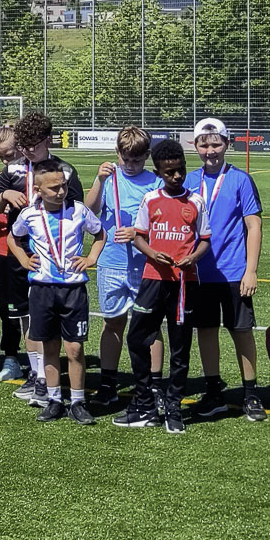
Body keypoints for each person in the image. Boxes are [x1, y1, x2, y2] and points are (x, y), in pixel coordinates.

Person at [116, 138, 210, 433]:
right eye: (170, 172)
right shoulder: (150, 200)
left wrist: (193, 257)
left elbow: (205, 240)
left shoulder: (196, 202)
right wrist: (152, 253)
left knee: (180, 347)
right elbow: (139, 236)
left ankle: (173, 407)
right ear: (158, 172)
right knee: (137, 338)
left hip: (183, 283)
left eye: (180, 170)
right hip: (153, 280)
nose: (177, 176)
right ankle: (145, 402)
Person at [0, 112, 84, 406]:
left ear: (48, 140)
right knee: (25, 315)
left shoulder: (64, 171)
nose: (28, 150)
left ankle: (50, 377)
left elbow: (78, 211)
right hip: (21, 254)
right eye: (24, 145)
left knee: (49, 319)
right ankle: (37, 376)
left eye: (34, 144)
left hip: (53, 257)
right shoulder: (14, 168)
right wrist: (6, 194)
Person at [8, 160, 105, 423]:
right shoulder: (29, 215)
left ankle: (78, 401)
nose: (60, 192)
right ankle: (54, 400)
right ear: (38, 190)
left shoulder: (78, 210)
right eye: (53, 188)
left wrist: (91, 258)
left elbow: (100, 234)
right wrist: (23, 259)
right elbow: (12, 237)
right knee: (49, 347)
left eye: (63, 186)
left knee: (74, 349)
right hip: (42, 290)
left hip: (73, 290)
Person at [184, 118, 266, 422]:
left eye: (216, 144)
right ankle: (213, 391)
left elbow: (253, 225)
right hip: (199, 272)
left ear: (227, 144)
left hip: (233, 271)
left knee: (241, 331)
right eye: (204, 144)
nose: (210, 150)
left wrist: (251, 270)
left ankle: (251, 392)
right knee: (206, 331)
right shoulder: (188, 180)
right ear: (195, 146)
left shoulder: (240, 179)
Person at [85, 126, 162, 406]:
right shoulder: (110, 178)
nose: (130, 165)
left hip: (145, 265)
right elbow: (90, 210)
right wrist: (99, 180)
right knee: (113, 322)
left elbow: (161, 223)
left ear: (147, 156)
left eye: (137, 160)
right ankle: (108, 383)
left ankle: (154, 384)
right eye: (125, 159)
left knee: (150, 326)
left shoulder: (155, 182)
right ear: (117, 153)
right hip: (112, 262)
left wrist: (138, 233)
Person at [0, 125, 27, 381]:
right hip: (1, 249)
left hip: (29, 250)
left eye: (9, 155)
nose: (4, 160)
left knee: (32, 307)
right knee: (6, 308)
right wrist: (0, 206)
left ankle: (40, 358)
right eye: (0, 156)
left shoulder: (34, 175)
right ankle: (11, 356)